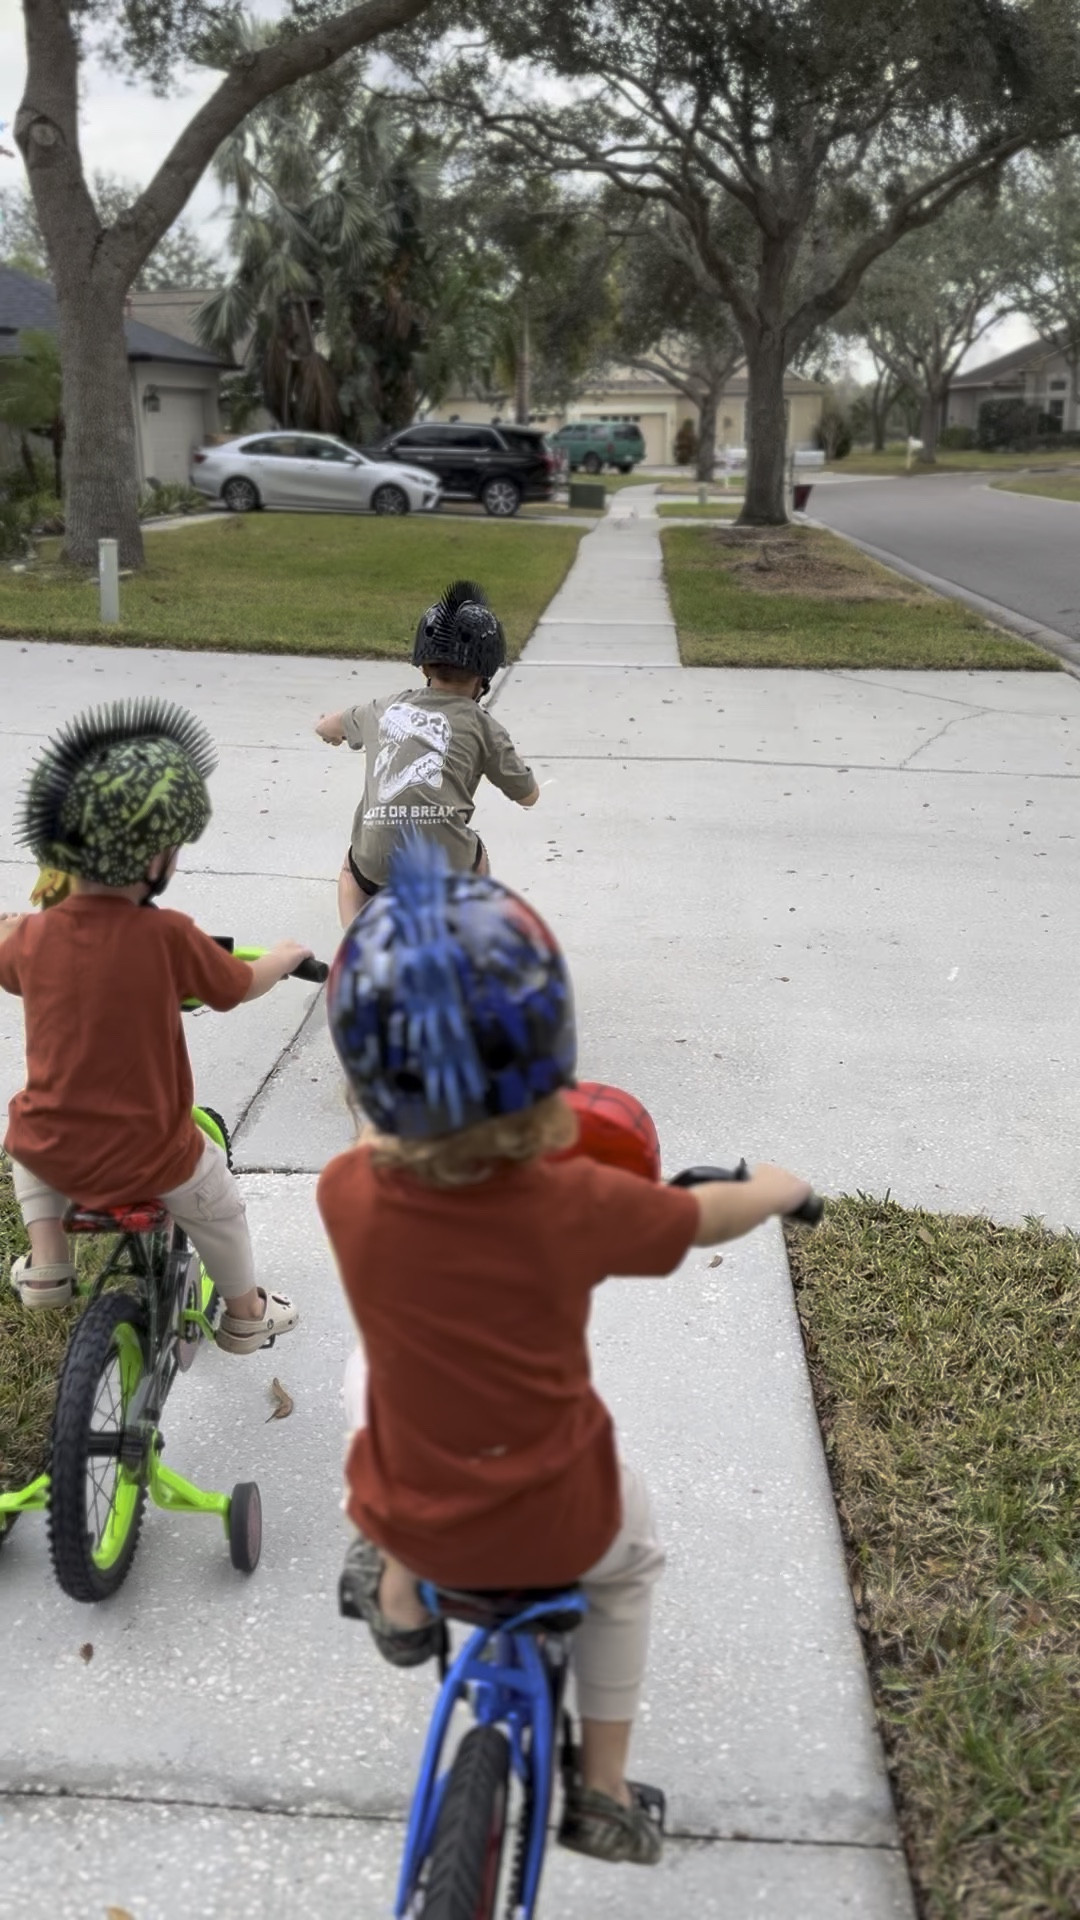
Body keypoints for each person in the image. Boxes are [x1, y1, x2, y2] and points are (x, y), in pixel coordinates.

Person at [318, 838, 811, 1867]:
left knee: (380, 1386)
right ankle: (602, 1792)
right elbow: (705, 1217)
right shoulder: (578, 1206)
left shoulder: (344, 1191)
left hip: (407, 1503)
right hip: (557, 1521)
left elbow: (384, 1142)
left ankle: (400, 1598)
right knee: (632, 1565)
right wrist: (776, 1188)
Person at [0, 698, 307, 1355]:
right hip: (150, 1153)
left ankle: (48, 1261)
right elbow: (236, 985)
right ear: (156, 858)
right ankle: (246, 1314)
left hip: (54, 1144)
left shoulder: (31, 939)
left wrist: (12, 929)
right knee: (219, 1204)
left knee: (25, 1141)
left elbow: (8, 965)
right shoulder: (170, 937)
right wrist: (281, 960)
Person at [314, 579, 539, 928]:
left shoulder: (382, 709)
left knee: (350, 869)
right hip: (445, 869)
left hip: (377, 865)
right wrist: (515, 763)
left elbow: (328, 726)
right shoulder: (486, 728)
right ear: (487, 673)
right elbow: (529, 796)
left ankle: (355, 941)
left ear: (423, 666)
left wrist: (329, 730)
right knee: (476, 854)